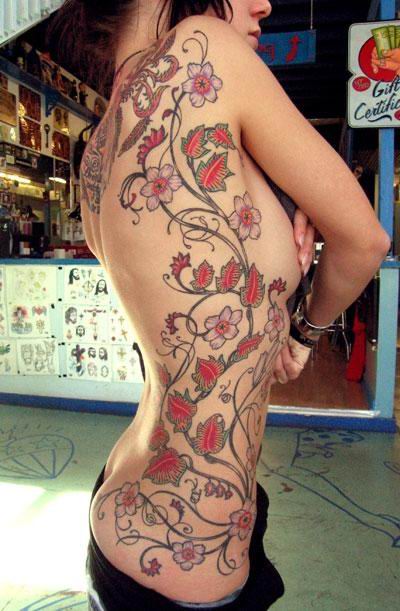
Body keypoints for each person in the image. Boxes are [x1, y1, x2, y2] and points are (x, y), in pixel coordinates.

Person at [49, 2, 390, 610]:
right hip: (189, 544)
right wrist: (303, 332)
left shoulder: (99, 146)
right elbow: (365, 241)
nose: (264, 4)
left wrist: (280, 246)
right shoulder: (202, 46)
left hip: (125, 503)